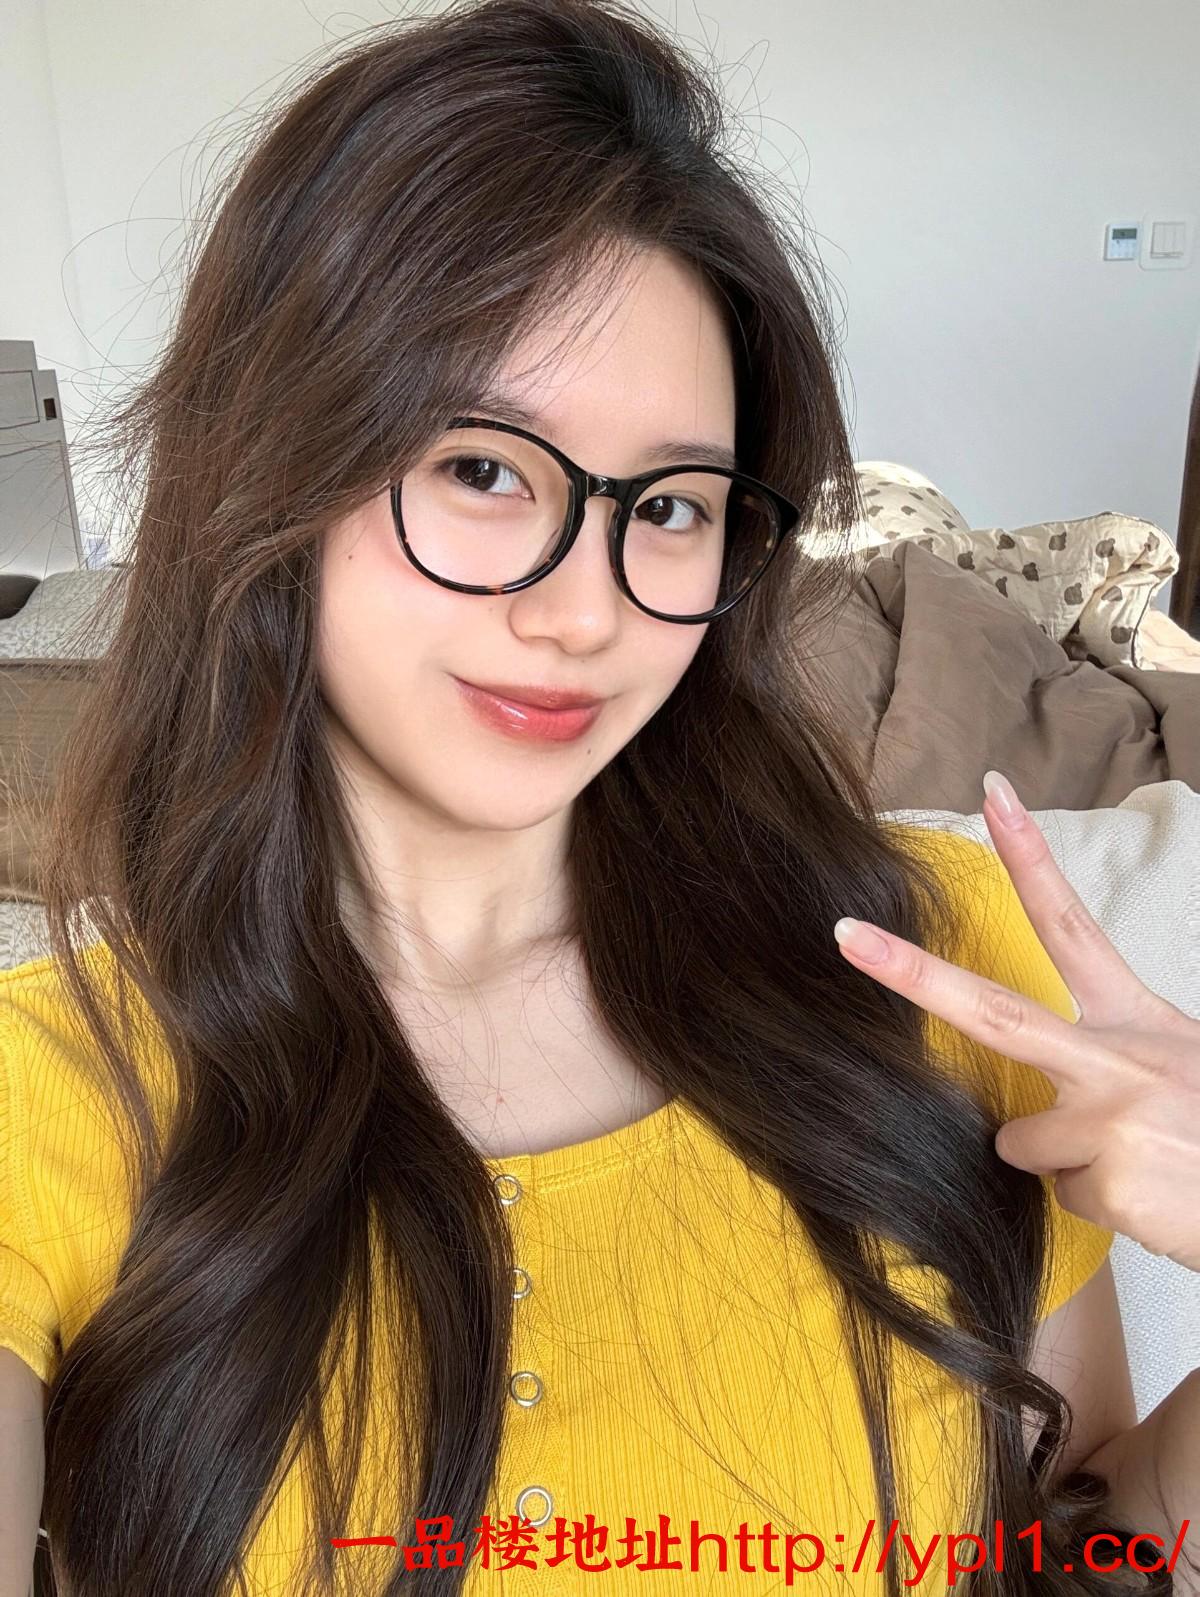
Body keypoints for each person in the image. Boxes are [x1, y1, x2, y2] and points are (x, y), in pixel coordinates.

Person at [0, 1, 1196, 1593]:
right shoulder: (54, 1092)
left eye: (674, 505)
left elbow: (1090, 1548)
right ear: (266, 468)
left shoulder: (939, 956)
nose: (587, 610)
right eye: (484, 469)